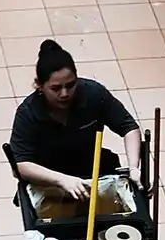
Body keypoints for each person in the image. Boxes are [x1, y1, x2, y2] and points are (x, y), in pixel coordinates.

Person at [9, 40, 142, 201]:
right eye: (56, 88)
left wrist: (134, 168)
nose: (64, 93)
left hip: (93, 169)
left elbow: (129, 127)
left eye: (71, 85)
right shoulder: (28, 113)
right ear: (39, 85)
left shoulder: (94, 94)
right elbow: (21, 164)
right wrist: (62, 180)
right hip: (49, 179)